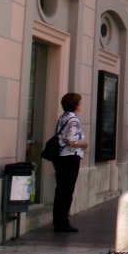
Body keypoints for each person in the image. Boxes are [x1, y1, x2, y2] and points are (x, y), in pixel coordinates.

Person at [53, 92, 88, 233]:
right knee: (67, 190)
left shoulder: (63, 117)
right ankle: (63, 222)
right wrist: (84, 144)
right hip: (70, 157)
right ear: (76, 105)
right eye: (80, 102)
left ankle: (58, 219)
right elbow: (71, 141)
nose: (81, 104)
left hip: (60, 157)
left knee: (60, 189)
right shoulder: (73, 120)